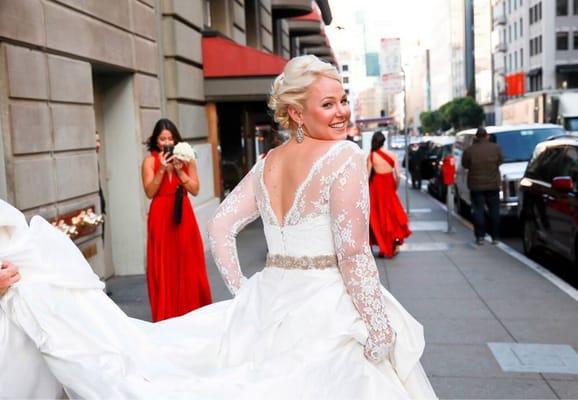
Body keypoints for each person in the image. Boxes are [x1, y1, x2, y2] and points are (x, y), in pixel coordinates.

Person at [0, 55, 436, 399]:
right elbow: (355, 255)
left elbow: (222, 226)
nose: (342, 112)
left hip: (270, 299)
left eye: (342, 100)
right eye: (328, 104)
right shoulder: (345, 158)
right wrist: (379, 327)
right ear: (296, 114)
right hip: (328, 306)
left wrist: (244, 291)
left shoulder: (268, 163)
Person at [142, 118, 212, 321]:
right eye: (162, 139)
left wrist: (180, 170)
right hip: (160, 215)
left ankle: (192, 311)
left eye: (170, 138)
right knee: (164, 263)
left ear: (176, 140)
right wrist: (162, 169)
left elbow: (195, 190)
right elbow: (149, 192)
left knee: (188, 260)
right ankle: (167, 313)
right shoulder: (149, 162)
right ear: (156, 141)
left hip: (183, 213)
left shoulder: (186, 159)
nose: (166, 142)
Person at [368, 131, 411, 258]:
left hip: (375, 190)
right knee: (393, 217)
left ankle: (383, 246)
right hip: (389, 187)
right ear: (384, 141)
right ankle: (395, 243)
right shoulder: (392, 155)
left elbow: (366, 175)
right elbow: (398, 175)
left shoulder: (372, 156)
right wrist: (395, 188)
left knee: (378, 218)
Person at [461, 127, 504, 245]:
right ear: (487, 136)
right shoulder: (496, 148)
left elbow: (465, 164)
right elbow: (501, 161)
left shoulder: (469, 150)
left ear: (475, 137)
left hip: (476, 185)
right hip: (493, 184)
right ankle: (495, 237)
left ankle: (480, 237)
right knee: (494, 211)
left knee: (478, 211)